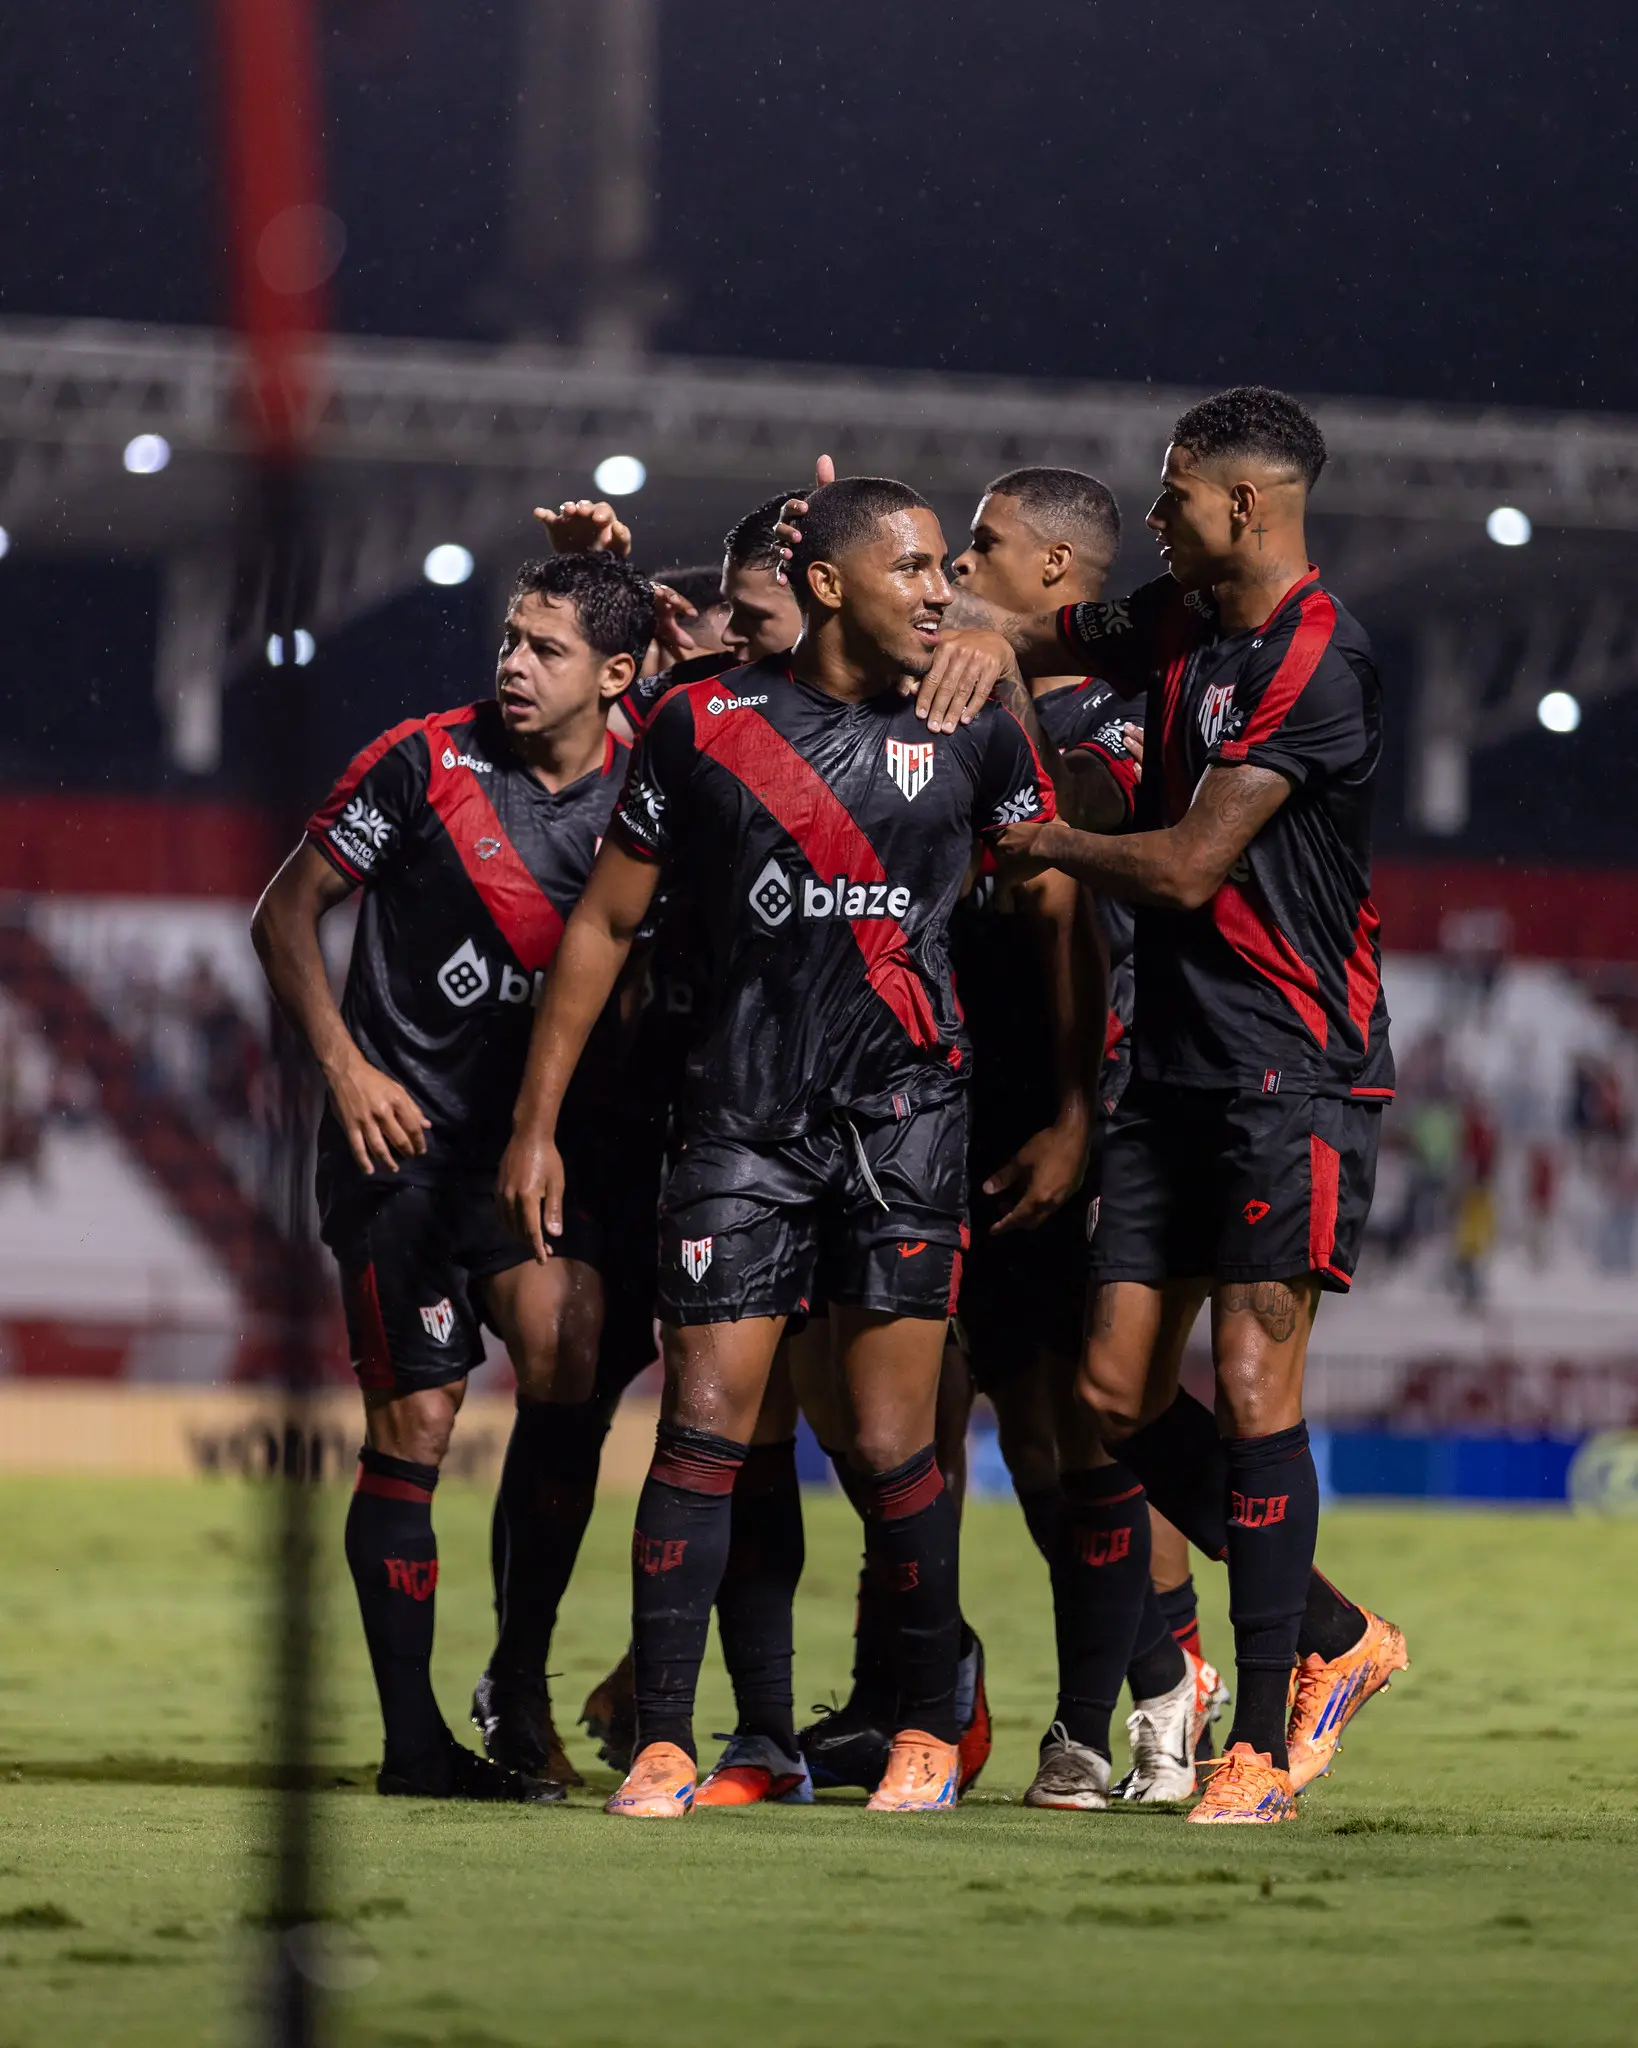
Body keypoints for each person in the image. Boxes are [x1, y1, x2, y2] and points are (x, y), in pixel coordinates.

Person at [498, 475, 1057, 1818]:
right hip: (739, 1122)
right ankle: (669, 1743)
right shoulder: (703, 723)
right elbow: (600, 925)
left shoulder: (975, 723)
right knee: (702, 1430)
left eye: (944, 569)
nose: (940, 589)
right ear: (827, 586)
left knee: (885, 1443)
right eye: (913, 568)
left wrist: (1075, 1106)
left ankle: (929, 1727)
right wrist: (534, 1124)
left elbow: (1048, 911)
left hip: (908, 1121)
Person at [986, 387, 1408, 1824]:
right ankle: (1342, 1637)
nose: (1148, 518)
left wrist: (1034, 838)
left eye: (1169, 495)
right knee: (1108, 1392)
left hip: (1286, 1064)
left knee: (1248, 1385)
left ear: (1244, 503)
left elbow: (1180, 870)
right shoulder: (1173, 621)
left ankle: (1262, 1755)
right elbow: (1023, 632)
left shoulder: (1317, 659)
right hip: (1164, 1068)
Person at [251, 551, 657, 1803]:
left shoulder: (653, 780)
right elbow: (284, 910)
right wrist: (343, 1067)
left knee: (565, 1347)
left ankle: (518, 1677)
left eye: (546, 648)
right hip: (401, 1150)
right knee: (418, 1423)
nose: (513, 665)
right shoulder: (423, 760)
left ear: (617, 675)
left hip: (540, 1150)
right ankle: (413, 1743)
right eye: (511, 640)